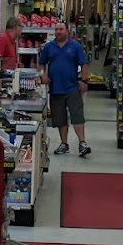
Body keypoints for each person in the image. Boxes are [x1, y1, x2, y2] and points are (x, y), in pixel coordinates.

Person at [38, 19, 90, 157]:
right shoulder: (49, 47)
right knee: (60, 118)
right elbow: (41, 64)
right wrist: (42, 75)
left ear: (67, 31)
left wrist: (84, 81)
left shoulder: (75, 46)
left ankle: (82, 143)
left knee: (77, 116)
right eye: (56, 29)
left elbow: (83, 64)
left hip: (72, 87)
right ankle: (64, 144)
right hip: (55, 88)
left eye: (61, 29)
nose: (58, 32)